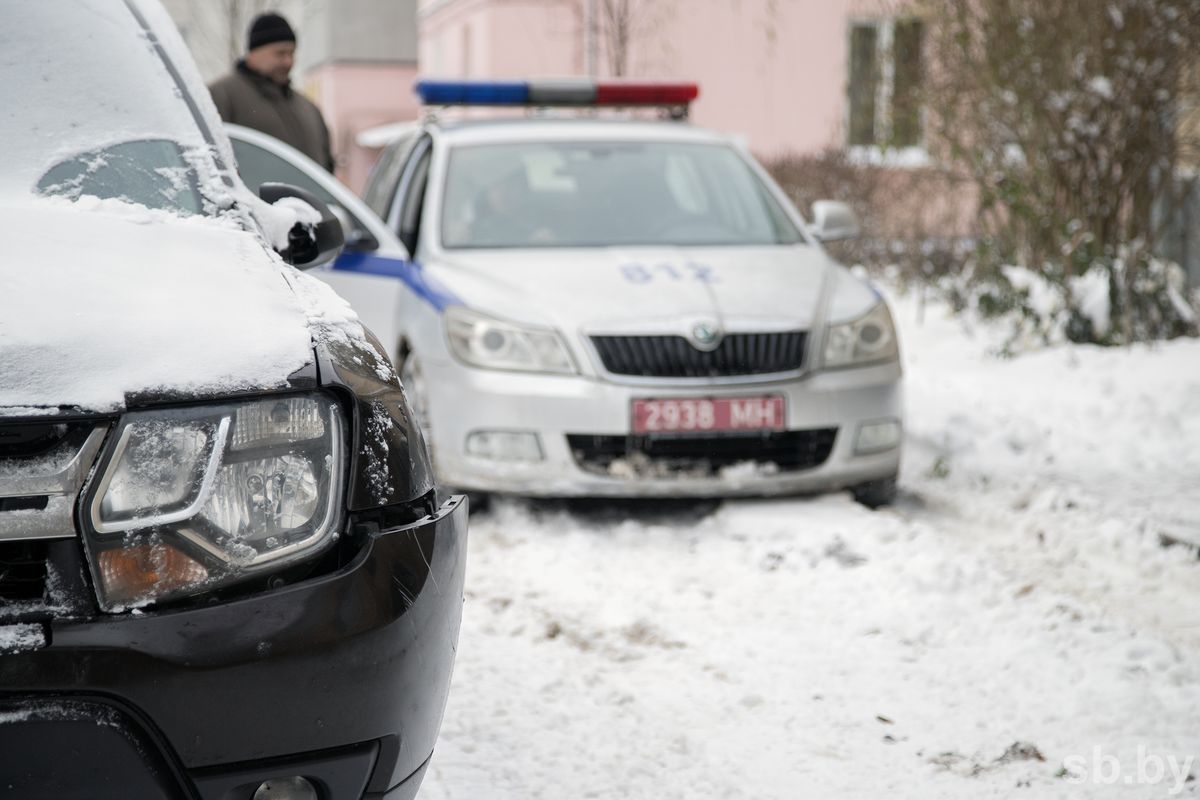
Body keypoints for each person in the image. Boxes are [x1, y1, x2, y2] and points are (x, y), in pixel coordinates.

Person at [208, 12, 334, 171]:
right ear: (253, 53)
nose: (288, 61)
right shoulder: (222, 96)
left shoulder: (308, 108)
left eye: (292, 53)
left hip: (310, 197)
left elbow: (328, 168)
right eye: (280, 53)